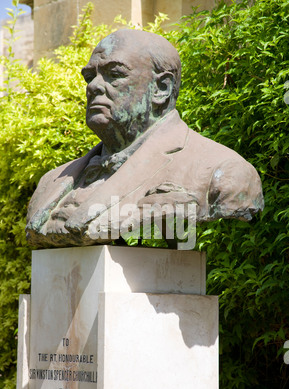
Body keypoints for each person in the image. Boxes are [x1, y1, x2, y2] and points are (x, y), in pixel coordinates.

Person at [26, 29, 264, 248]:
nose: (93, 87)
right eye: (90, 76)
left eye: (114, 74)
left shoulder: (223, 173)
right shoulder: (51, 183)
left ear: (161, 88)